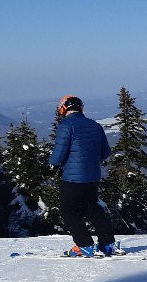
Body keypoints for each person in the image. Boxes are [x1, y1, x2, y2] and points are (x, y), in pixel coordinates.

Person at [49, 95, 123, 256]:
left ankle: (85, 245)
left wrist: (52, 164)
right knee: (92, 208)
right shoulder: (95, 125)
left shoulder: (66, 126)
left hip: (73, 178)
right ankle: (108, 244)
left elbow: (58, 155)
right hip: (93, 177)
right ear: (81, 107)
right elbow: (106, 152)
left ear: (64, 109)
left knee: (69, 212)